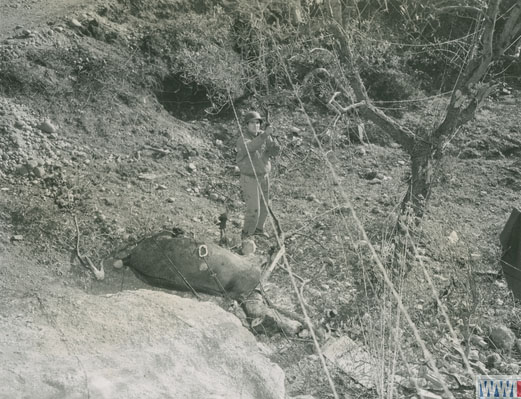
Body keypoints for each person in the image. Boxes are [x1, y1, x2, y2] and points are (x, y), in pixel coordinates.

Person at [236, 111, 280, 240]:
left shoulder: (263, 136)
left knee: (265, 206)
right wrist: (266, 134)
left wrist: (274, 139)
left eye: (257, 123)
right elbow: (251, 147)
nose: (255, 126)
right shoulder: (243, 139)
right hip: (250, 178)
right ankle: (247, 235)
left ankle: (258, 230)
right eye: (252, 123)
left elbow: (274, 152)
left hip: (264, 176)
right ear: (247, 125)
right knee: (253, 210)